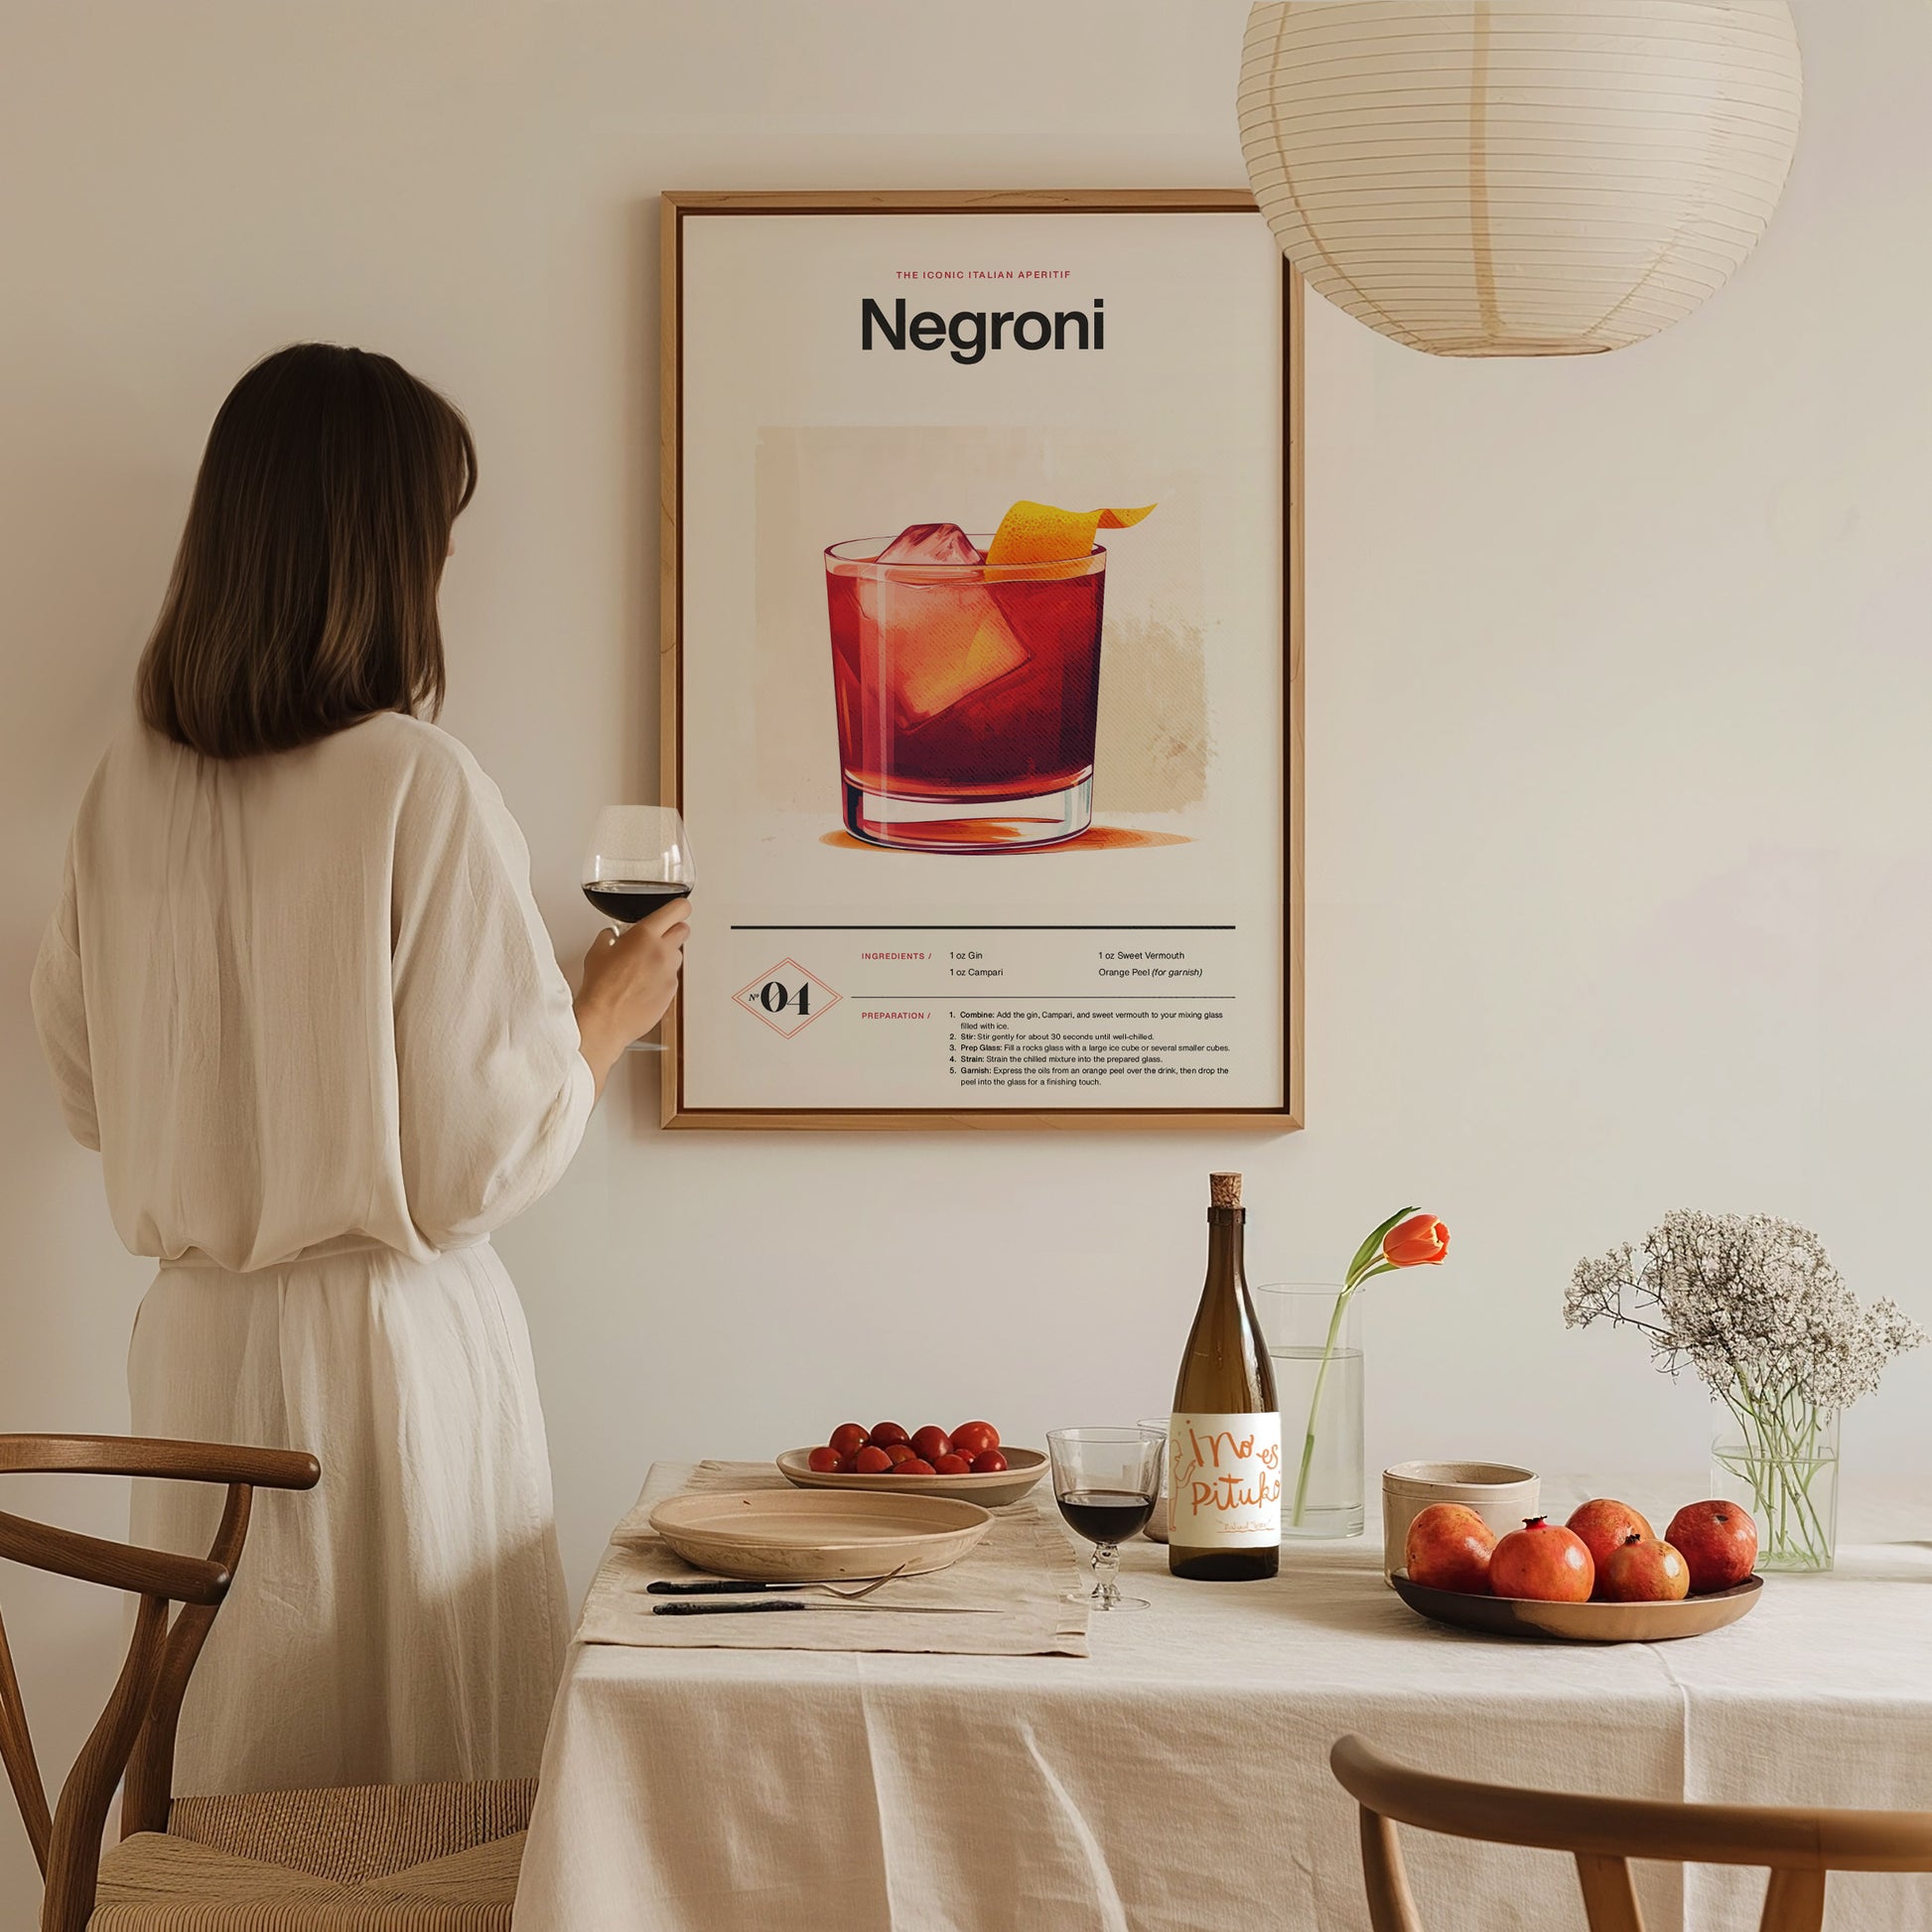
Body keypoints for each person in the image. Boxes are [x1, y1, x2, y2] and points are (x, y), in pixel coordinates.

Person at [29, 343, 684, 1793]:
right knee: (423, 1794)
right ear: (385, 551)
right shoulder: (415, 780)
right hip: (388, 1360)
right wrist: (602, 1014)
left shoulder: (124, 791)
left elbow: (86, 1092)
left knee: (236, 1770)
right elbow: (470, 1167)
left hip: (196, 1353)